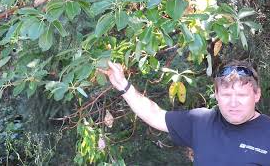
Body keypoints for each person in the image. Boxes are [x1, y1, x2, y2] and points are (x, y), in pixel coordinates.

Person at [99, 60, 270, 165]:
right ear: (217, 95)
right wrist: (122, 85)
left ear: (257, 95)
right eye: (226, 95)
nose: (233, 103)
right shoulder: (201, 121)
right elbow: (155, 115)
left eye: (241, 95)